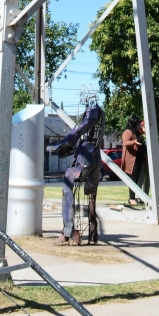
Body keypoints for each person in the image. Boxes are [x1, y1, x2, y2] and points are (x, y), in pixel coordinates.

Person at [48, 94, 104, 245]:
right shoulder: (97, 113)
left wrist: (61, 144)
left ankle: (69, 230)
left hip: (86, 163)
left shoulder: (93, 112)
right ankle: (89, 233)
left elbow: (79, 131)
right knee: (89, 197)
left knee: (67, 183)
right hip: (90, 161)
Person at [121, 116, 143, 205]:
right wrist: (134, 142)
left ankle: (135, 197)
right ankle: (131, 198)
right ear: (133, 123)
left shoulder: (136, 132)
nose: (139, 125)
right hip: (131, 160)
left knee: (136, 179)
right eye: (137, 123)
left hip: (138, 159)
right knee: (133, 180)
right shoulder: (127, 132)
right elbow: (125, 143)